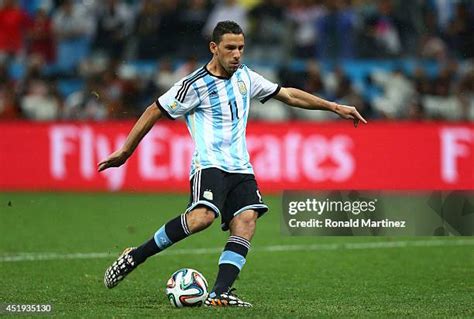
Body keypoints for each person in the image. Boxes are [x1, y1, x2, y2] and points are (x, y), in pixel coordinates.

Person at [99, 20, 366, 308]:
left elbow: (287, 94)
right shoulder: (193, 85)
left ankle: (219, 293)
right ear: (214, 48)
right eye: (230, 48)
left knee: (247, 220)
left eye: (241, 48)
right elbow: (155, 110)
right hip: (210, 165)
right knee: (202, 218)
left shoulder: (246, 78)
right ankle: (136, 255)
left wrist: (334, 107)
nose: (237, 54)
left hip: (241, 167)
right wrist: (126, 151)